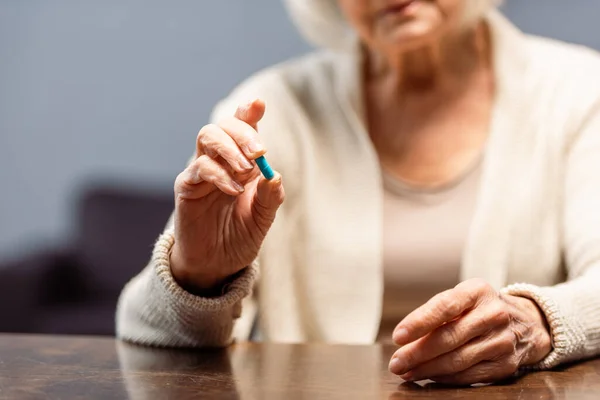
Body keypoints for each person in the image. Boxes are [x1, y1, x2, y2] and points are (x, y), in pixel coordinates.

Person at [117, 0, 600, 385]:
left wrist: (538, 321)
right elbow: (144, 334)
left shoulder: (578, 91)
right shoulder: (276, 110)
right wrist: (197, 275)